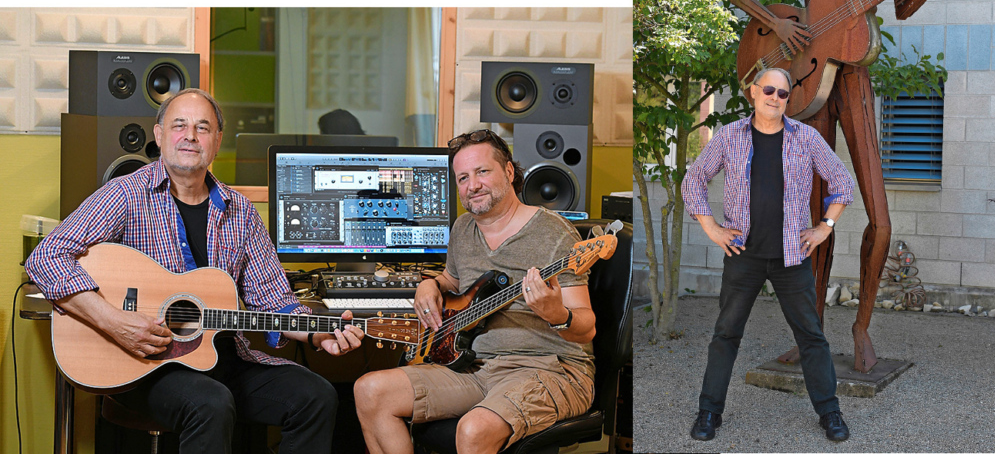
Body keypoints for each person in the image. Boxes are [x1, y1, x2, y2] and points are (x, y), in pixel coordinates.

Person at [26, 88, 365, 454]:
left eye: (203, 128)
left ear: (217, 141)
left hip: (222, 358)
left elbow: (275, 302)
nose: (190, 136)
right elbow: (46, 257)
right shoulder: (125, 194)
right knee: (211, 403)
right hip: (147, 366)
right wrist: (114, 322)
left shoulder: (241, 211)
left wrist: (318, 335)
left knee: (316, 396)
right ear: (159, 135)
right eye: (179, 125)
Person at [730, 0, 956, 375]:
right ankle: (812, 334)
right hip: (808, 80)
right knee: (812, 218)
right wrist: (780, 22)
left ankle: (861, 327)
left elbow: (901, 5)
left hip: (852, 75)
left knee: (879, 215)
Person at [353, 129, 596, 454]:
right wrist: (431, 284)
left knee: (472, 430)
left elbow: (587, 327)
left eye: (482, 171)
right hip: (475, 366)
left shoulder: (554, 233)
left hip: (550, 368)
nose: (473, 185)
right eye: (463, 177)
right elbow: (452, 282)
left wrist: (558, 315)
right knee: (369, 391)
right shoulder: (463, 228)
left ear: (509, 171)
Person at [682, 68, 855, 442]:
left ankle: (830, 413)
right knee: (726, 334)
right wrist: (711, 227)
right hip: (743, 253)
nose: (776, 97)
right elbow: (693, 179)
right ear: (752, 92)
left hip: (793, 257)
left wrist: (825, 226)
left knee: (811, 336)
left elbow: (843, 181)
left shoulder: (806, 138)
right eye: (769, 90)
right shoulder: (730, 136)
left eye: (783, 93)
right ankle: (709, 412)